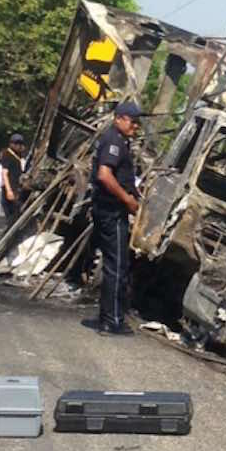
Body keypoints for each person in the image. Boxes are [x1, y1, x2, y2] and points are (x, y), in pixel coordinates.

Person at [91, 102, 142, 335]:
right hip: (111, 211)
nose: (135, 126)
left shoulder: (118, 140)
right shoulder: (113, 141)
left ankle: (108, 316)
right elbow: (104, 175)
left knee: (117, 265)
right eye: (132, 121)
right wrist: (127, 199)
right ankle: (111, 321)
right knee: (117, 266)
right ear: (119, 119)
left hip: (111, 210)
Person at [0, 134, 25, 226]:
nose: (19, 145)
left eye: (20, 143)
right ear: (11, 144)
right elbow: (4, 174)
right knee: (11, 217)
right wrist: (9, 190)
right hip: (10, 188)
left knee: (17, 214)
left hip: (17, 188)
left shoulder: (18, 155)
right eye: (16, 143)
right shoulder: (7, 155)